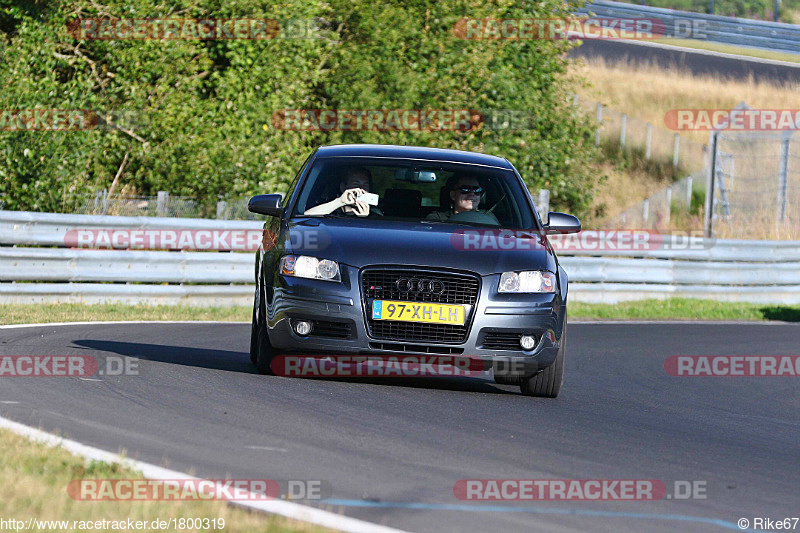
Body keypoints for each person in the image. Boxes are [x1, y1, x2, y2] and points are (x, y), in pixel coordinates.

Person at [304, 167, 381, 217]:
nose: (361, 189)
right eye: (356, 184)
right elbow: (306, 217)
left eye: (365, 185)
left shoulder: (375, 216)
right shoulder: (330, 211)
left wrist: (365, 219)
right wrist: (339, 202)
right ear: (343, 187)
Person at [425, 174, 498, 223]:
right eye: (465, 190)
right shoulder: (436, 219)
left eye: (476, 190)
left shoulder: (489, 219)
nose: (472, 194)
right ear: (453, 195)